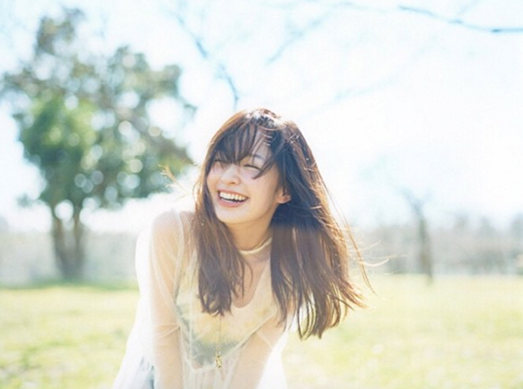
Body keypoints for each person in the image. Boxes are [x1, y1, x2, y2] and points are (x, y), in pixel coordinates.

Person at [112, 108, 368, 389]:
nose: (229, 177)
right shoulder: (173, 230)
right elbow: (164, 333)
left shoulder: (293, 260)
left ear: (284, 190)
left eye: (250, 166)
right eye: (221, 161)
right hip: (157, 377)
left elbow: (255, 357)